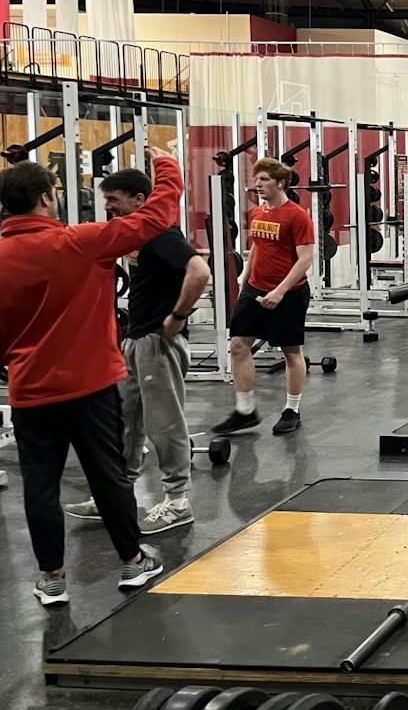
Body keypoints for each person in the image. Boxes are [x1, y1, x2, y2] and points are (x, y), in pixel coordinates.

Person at [0, 151, 182, 604]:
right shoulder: (80, 241)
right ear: (45, 198)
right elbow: (156, 216)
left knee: (40, 483)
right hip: (90, 385)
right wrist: (168, 167)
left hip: (30, 389)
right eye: (56, 193)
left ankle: (53, 578)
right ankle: (132, 562)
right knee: (107, 475)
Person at [64, 169, 209, 535]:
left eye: (114, 200)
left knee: (165, 424)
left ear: (139, 200)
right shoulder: (145, 238)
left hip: (156, 344)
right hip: (136, 342)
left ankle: (178, 501)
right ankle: (115, 494)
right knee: (123, 421)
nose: (108, 207)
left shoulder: (161, 235)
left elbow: (200, 271)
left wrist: (178, 316)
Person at [212, 157, 317, 436]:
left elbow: (306, 258)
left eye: (264, 180)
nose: (258, 184)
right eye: (257, 179)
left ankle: (292, 410)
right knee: (238, 345)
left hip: (290, 293)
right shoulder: (258, 213)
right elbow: (258, 247)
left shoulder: (297, 216)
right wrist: (244, 278)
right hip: (255, 289)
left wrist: (280, 291)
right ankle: (245, 410)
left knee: (291, 352)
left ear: (280, 182)